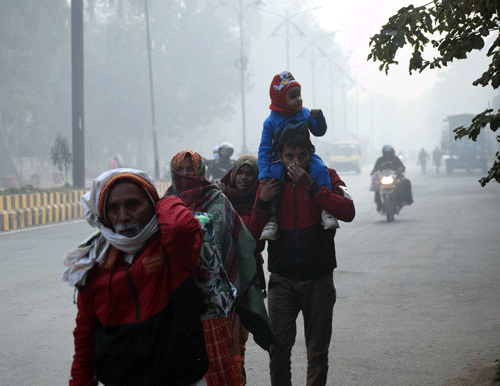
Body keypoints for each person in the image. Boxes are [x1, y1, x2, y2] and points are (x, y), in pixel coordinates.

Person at [62, 168, 209, 386]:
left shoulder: (172, 249)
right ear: (102, 215)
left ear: (152, 206)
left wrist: (164, 200)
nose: (122, 217)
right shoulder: (93, 263)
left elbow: (180, 227)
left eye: (133, 204)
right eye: (112, 208)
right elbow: (84, 337)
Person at [249, 128, 355, 386]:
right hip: (282, 280)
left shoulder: (325, 176)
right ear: (279, 156)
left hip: (318, 278)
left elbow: (348, 211)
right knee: (278, 351)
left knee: (317, 353)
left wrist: (312, 187)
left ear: (311, 154)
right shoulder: (270, 182)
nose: (295, 162)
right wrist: (262, 203)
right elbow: (252, 236)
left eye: (301, 155)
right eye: (289, 156)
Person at [165, 150, 274, 386]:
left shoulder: (217, 199)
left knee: (226, 356)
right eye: (180, 170)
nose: (185, 174)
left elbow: (239, 242)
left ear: (199, 170)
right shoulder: (165, 203)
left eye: (189, 169)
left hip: (221, 296)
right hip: (177, 296)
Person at [257, 71, 338, 241]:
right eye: (293, 97)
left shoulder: (305, 113)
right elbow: (264, 150)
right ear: (280, 99)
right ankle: (272, 220)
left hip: (306, 155)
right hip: (280, 161)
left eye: (299, 95)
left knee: (321, 169)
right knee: (274, 182)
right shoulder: (270, 122)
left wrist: (319, 119)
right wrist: (264, 174)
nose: (299, 100)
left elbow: (319, 132)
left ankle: (326, 211)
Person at [219, 154, 275, 384]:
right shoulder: (218, 197)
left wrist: (261, 204)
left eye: (250, 173)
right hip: (221, 277)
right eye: (240, 172)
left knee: (239, 337)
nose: (243, 178)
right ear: (232, 173)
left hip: (247, 277)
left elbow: (252, 239)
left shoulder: (261, 201)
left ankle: (237, 378)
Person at [370, 145, 407, 212]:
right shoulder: (380, 160)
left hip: (394, 177)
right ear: (383, 152)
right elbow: (375, 168)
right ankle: (379, 204)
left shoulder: (395, 159)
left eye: (389, 153)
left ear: (391, 152)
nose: (387, 154)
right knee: (377, 188)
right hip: (383, 178)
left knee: (402, 184)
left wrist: (400, 170)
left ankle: (401, 201)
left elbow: (402, 166)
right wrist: (372, 172)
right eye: (386, 153)